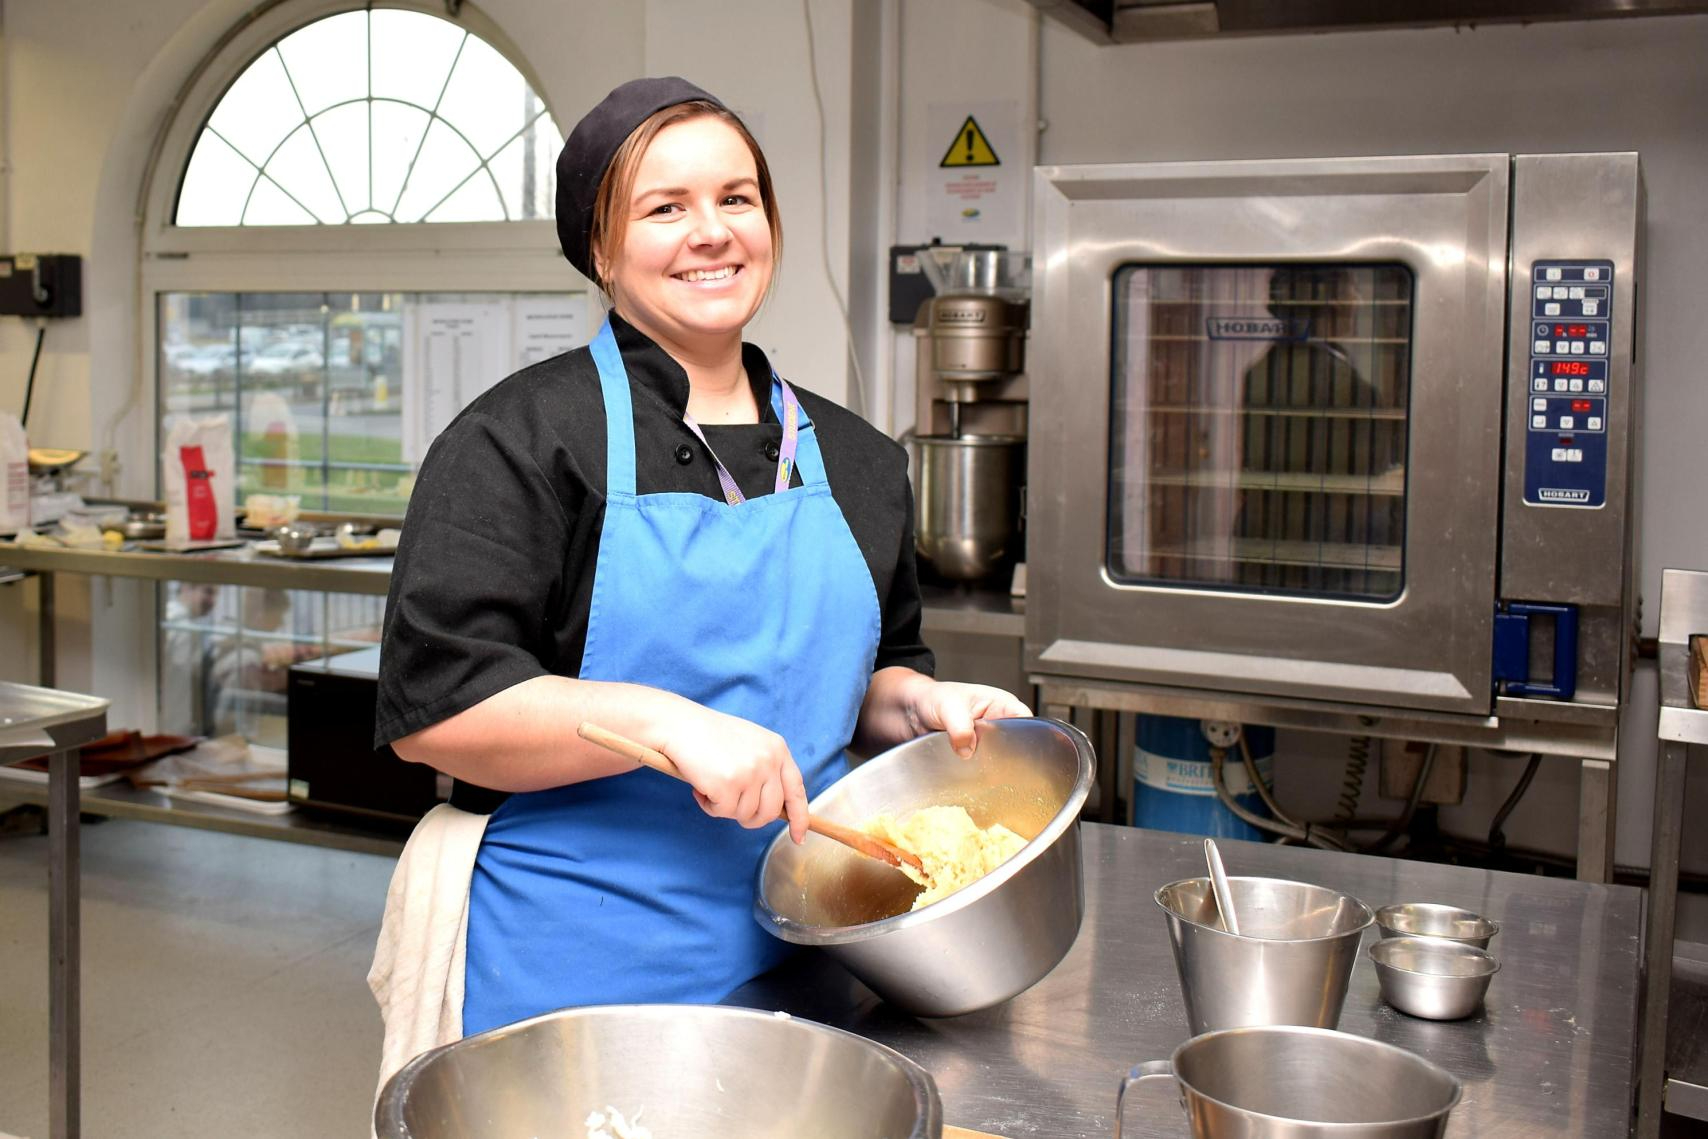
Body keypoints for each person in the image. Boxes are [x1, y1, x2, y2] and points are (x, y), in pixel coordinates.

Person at [371, 77, 1031, 1045]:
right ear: (598, 248)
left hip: (826, 939)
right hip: (581, 963)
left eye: (735, 197)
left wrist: (924, 706)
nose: (711, 230)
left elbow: (868, 672)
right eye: (663, 207)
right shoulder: (521, 439)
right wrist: (664, 720)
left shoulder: (856, 456)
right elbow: (441, 709)